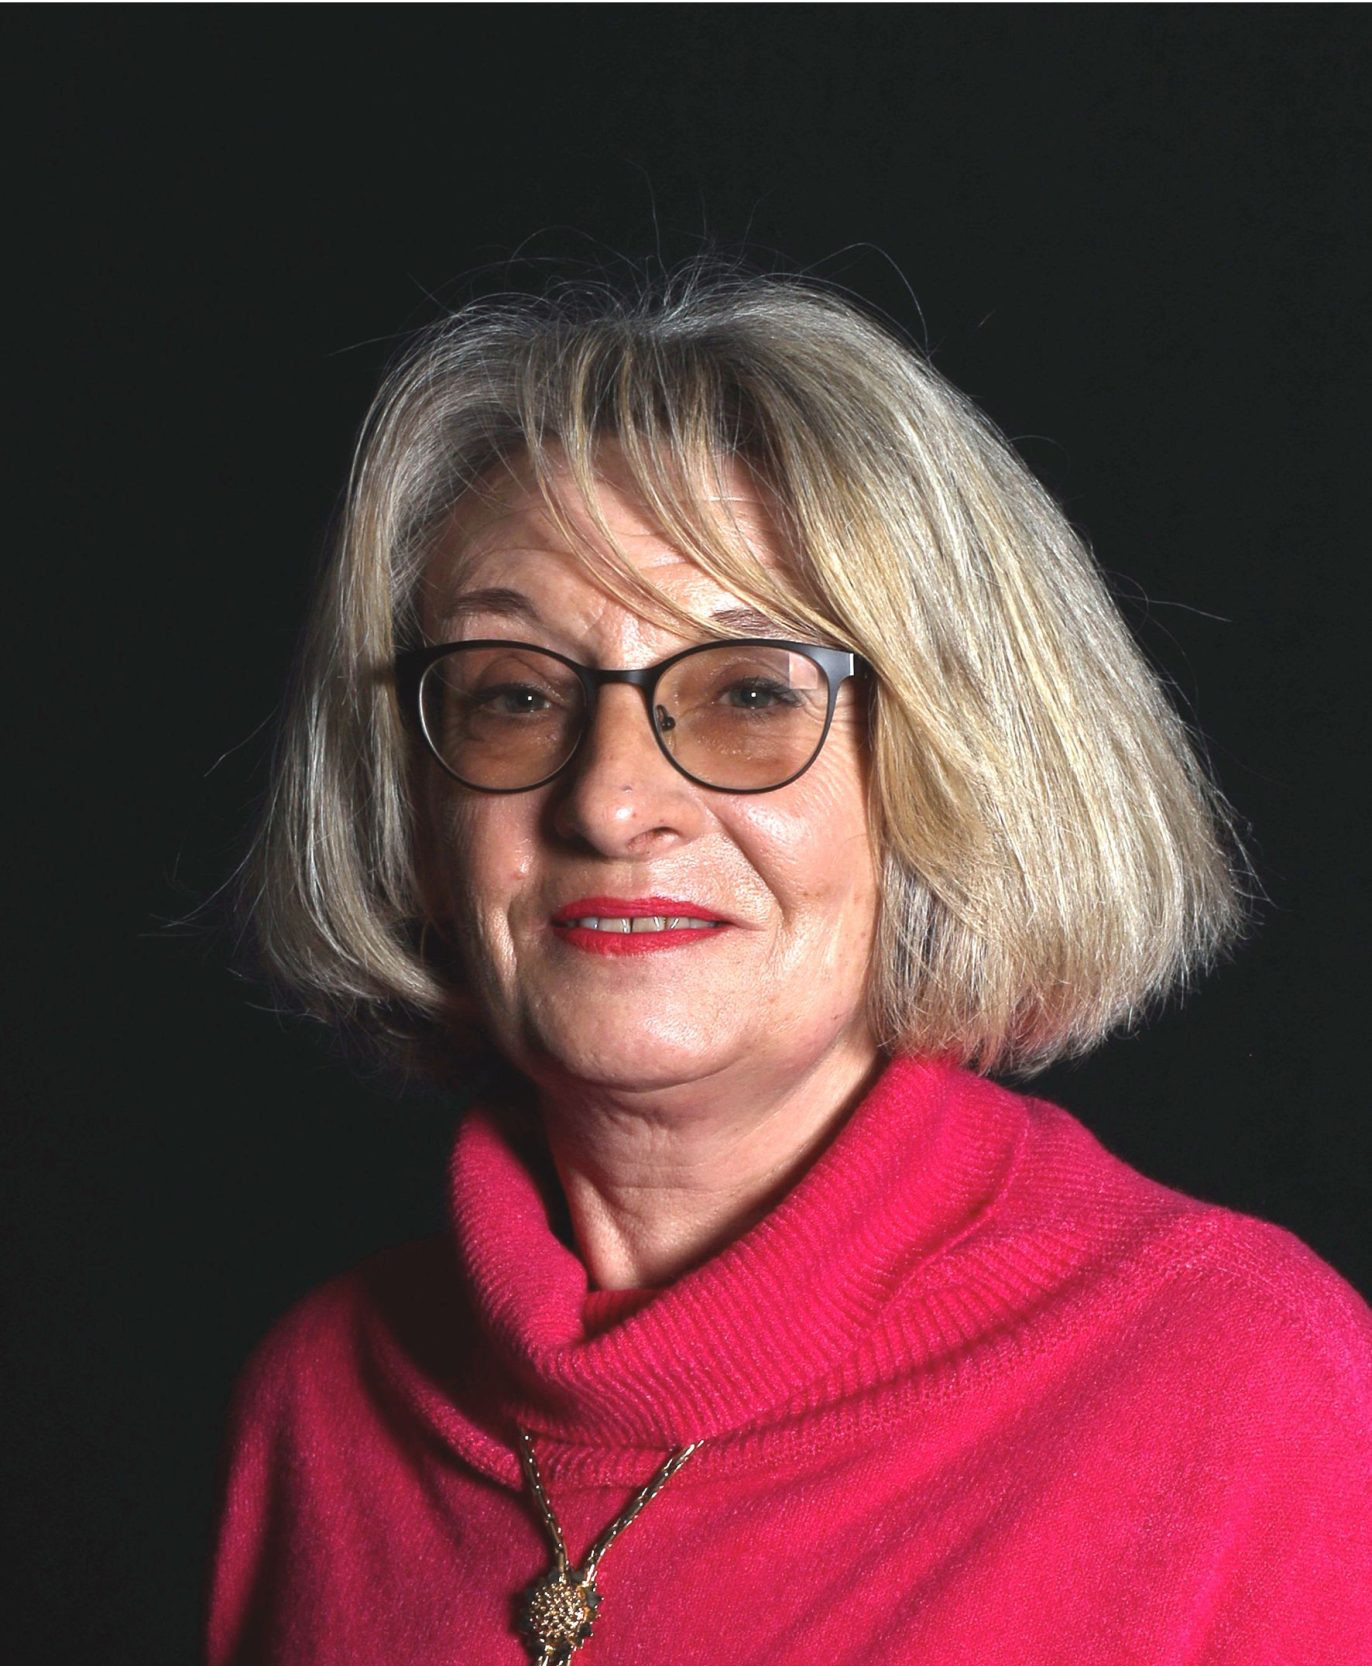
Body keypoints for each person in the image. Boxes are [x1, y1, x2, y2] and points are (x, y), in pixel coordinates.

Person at [208, 267, 1371, 1665]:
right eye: (515, 693)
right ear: (415, 807)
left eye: (751, 691)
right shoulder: (316, 1407)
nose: (611, 803)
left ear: (950, 771)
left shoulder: (1243, 1388)